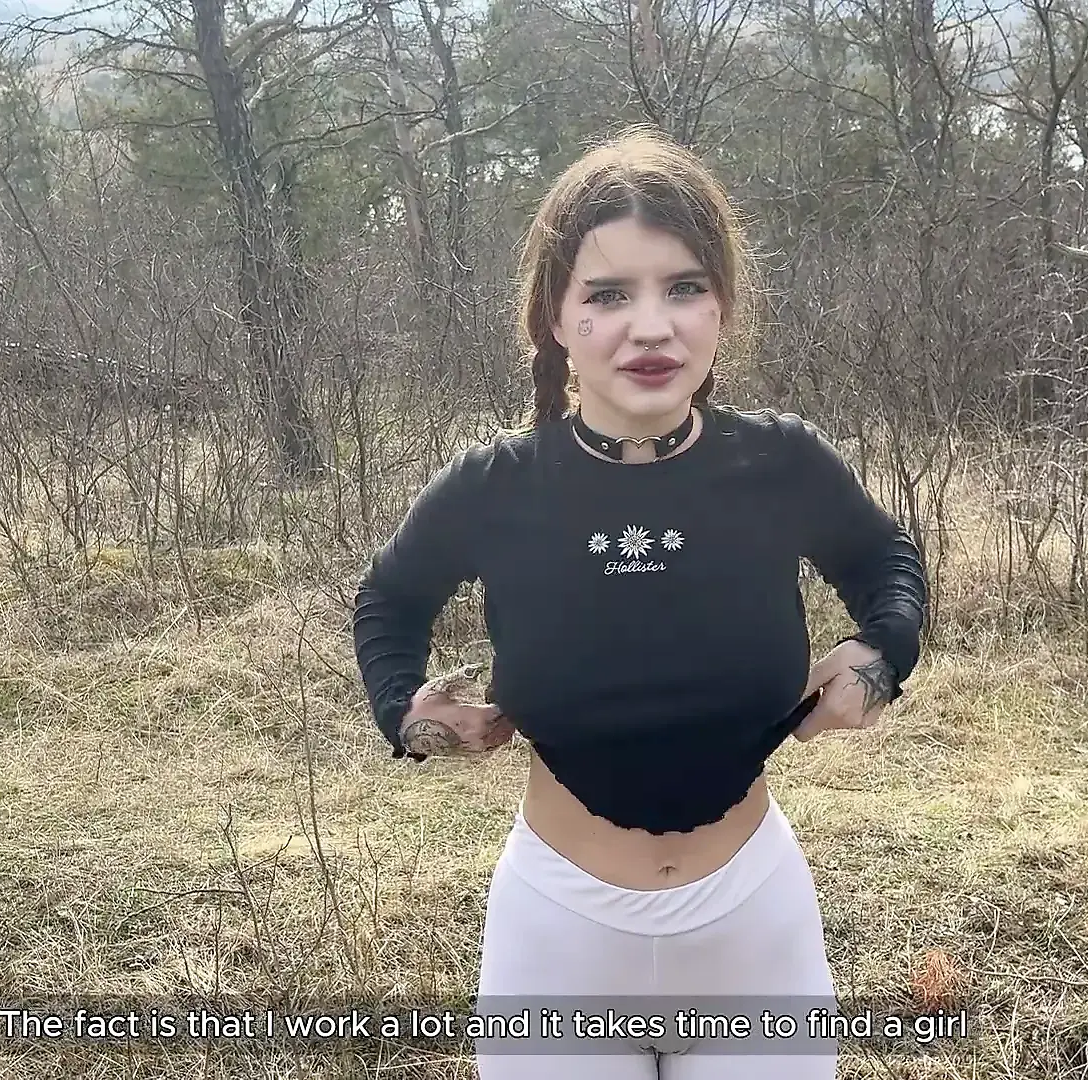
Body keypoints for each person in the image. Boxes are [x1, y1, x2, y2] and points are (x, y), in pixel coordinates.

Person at [351, 125, 928, 1079]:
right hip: (558, 939)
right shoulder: (497, 488)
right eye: (609, 294)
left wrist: (882, 656)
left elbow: (883, 559)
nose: (651, 327)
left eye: (684, 287)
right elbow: (389, 600)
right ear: (555, 316)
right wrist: (405, 712)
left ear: (722, 307)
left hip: (753, 934)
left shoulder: (778, 464)